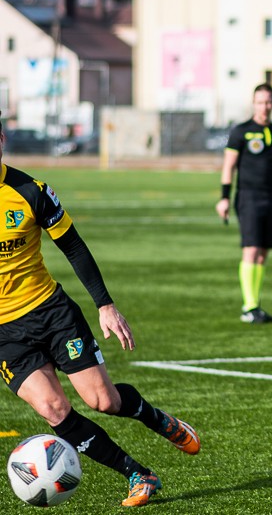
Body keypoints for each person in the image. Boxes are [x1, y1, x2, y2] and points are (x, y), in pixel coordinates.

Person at [0, 114, 200, 508]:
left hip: (51, 313)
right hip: (6, 334)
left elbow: (73, 246)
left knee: (104, 402)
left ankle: (157, 419)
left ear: (2, 140)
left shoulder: (30, 191)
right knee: (54, 409)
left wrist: (105, 305)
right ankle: (138, 474)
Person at [215, 83, 272, 323]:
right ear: (254, 103)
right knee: (251, 249)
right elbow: (228, 166)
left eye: (269, 102)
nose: (265, 106)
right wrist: (224, 197)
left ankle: (255, 305)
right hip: (248, 197)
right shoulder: (241, 132)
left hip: (269, 197)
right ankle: (248, 306)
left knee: (263, 253)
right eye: (260, 102)